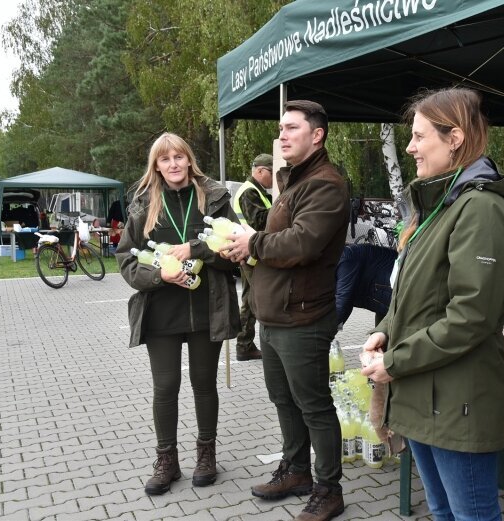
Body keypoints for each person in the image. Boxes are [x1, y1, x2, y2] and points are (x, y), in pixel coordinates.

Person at [360, 88, 504, 521]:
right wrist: (386, 329)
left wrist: (396, 361)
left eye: (419, 136)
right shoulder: (439, 205)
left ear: (454, 138)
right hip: (423, 390)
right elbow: (415, 291)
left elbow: (470, 315)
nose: (410, 147)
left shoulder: (481, 208)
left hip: (457, 397)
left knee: (471, 515)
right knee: (442, 511)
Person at [224, 100, 350, 521]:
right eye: (281, 129)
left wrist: (252, 243)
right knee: (284, 400)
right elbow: (280, 237)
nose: (281, 136)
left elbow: (302, 243)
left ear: (317, 135)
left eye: (291, 128)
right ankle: (296, 471)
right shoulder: (293, 183)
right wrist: (249, 241)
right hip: (274, 316)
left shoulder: (326, 184)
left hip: (304, 318)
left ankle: (329, 490)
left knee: (313, 406)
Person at [116, 132, 241, 495]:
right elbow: (125, 260)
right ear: (156, 165)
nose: (173, 164)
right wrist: (160, 274)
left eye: (179, 157)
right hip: (161, 313)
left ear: (189, 160)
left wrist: (196, 249)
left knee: (204, 383)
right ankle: (167, 460)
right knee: (166, 387)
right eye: (164, 159)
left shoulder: (213, 198)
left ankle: (206, 455)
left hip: (207, 310)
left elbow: (233, 246)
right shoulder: (143, 204)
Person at [233, 153, 273, 361]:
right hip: (252, 254)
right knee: (258, 299)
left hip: (253, 254)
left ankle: (244, 345)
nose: (274, 178)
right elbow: (259, 222)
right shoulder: (249, 192)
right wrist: (281, 208)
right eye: (271, 172)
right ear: (259, 171)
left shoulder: (257, 191)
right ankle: (248, 344)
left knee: (249, 301)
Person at [335, 243, 397, 328]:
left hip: (393, 291)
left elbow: (343, 300)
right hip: (381, 299)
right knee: (380, 336)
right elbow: (346, 303)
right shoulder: (338, 258)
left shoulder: (345, 257)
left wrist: (326, 334)